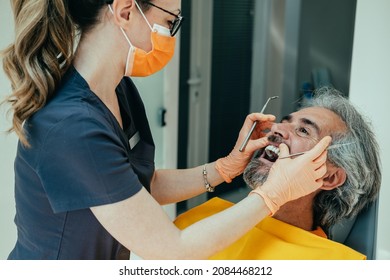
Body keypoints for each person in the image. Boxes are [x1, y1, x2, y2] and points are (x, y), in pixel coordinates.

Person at [1, 0, 332, 260]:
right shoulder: (72, 125)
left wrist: (223, 168)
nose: (171, 34)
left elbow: (137, 184)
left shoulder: (118, 90)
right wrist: (272, 195)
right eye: (170, 21)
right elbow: (174, 249)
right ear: (126, 11)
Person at [174, 87, 381, 260]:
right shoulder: (206, 214)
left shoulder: (336, 265)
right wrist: (223, 168)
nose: (276, 129)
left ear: (329, 177)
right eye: (284, 121)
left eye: (303, 131)